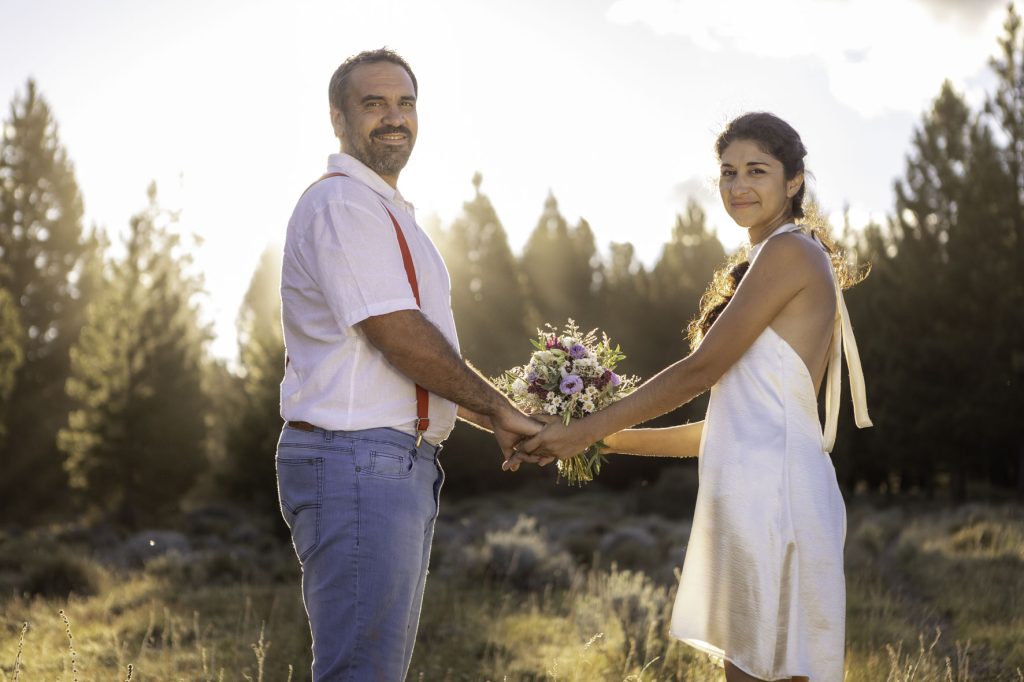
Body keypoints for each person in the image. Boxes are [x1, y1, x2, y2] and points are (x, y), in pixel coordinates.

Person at [513, 112, 872, 682]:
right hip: (755, 492)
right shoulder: (769, 259)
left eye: (757, 170)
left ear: (794, 181)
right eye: (728, 172)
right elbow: (716, 431)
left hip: (775, 498)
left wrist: (582, 429)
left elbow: (699, 371)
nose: (738, 185)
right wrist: (595, 441)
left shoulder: (790, 254)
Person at [277, 48, 540, 681]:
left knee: (374, 670)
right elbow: (398, 337)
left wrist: (498, 418)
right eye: (374, 104)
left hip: (387, 462)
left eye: (405, 103)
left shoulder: (386, 210)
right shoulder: (342, 204)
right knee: (362, 673)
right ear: (338, 118)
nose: (394, 117)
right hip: (356, 459)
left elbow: (427, 358)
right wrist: (500, 408)